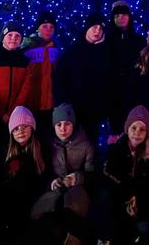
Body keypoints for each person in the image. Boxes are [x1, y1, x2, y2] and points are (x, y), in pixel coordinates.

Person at [96, 105, 149, 245]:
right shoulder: (117, 148)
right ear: (127, 128)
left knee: (144, 226)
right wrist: (128, 195)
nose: (137, 133)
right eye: (134, 128)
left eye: (142, 129)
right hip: (120, 197)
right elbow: (109, 175)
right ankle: (105, 239)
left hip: (140, 203)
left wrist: (139, 200)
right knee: (105, 198)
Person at [31, 103, 95, 245]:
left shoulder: (86, 145)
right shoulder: (49, 144)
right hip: (56, 186)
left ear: (73, 124)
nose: (63, 129)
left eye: (67, 124)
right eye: (59, 124)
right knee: (45, 209)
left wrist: (77, 178)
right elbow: (45, 170)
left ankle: (74, 237)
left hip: (78, 187)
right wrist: (53, 181)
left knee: (74, 206)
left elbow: (91, 173)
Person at [53, 12, 113, 144]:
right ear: (87, 27)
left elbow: (110, 82)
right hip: (73, 112)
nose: (97, 31)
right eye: (94, 27)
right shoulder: (72, 51)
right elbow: (60, 79)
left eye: (101, 29)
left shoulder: (107, 53)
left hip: (96, 114)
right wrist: (64, 103)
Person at [0, 106, 46, 239]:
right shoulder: (6, 153)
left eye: (25, 126)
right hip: (12, 205)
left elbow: (43, 178)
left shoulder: (41, 149)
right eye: (16, 128)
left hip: (34, 199)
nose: (20, 131)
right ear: (11, 133)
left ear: (32, 128)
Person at [106, 1, 145, 140]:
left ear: (129, 17)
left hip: (133, 92)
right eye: (117, 16)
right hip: (112, 93)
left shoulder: (139, 41)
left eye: (124, 15)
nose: (120, 18)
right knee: (115, 131)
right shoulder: (106, 41)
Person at [23, 11, 59, 141]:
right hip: (32, 102)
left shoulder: (55, 48)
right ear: (38, 28)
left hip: (49, 103)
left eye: (51, 27)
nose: (48, 29)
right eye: (45, 26)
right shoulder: (28, 46)